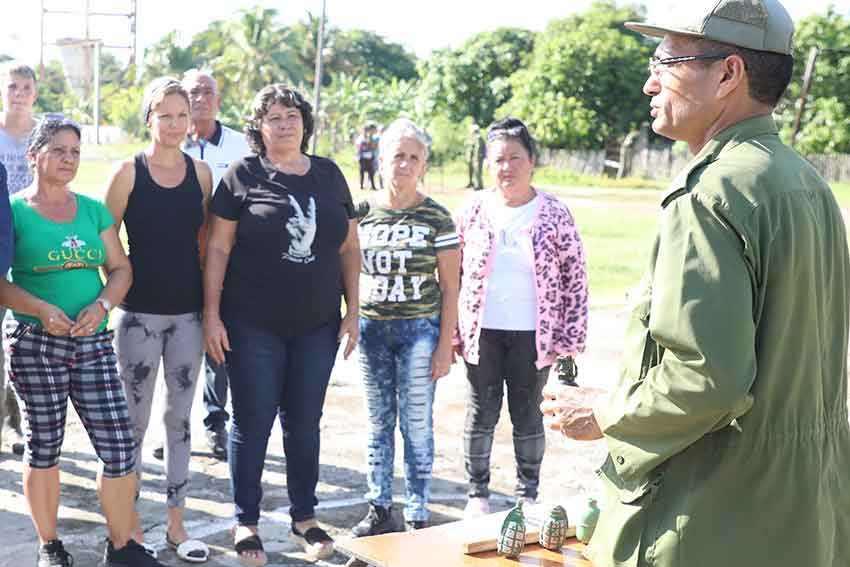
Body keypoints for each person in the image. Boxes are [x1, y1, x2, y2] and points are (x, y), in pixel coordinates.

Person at [540, 2, 850, 566]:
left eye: (668, 60)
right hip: (804, 518)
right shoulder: (805, 182)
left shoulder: (711, 194)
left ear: (729, 74)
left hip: (711, 520)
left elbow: (708, 377)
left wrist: (604, 413)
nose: (649, 81)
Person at [204, 84, 360, 566]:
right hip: (252, 324)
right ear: (259, 127)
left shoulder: (330, 175)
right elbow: (217, 249)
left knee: (304, 423)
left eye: (292, 115)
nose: (284, 123)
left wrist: (353, 311)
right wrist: (211, 315)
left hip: (316, 325)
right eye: (273, 117)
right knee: (252, 422)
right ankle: (245, 521)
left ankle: (304, 517)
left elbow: (349, 248)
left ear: (305, 123)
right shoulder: (242, 175)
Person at [0, 116, 165, 567]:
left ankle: (122, 546)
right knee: (44, 444)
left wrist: (103, 305)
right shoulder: (12, 210)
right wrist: (40, 309)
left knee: (117, 445)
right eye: (58, 150)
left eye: (74, 151)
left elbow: (121, 269)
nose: (68, 159)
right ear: (34, 156)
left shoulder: (93, 209)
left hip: (92, 343)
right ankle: (50, 546)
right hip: (36, 342)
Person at [454, 117, 588, 518]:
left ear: (532, 160)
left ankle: (527, 493)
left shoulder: (554, 213)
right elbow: (452, 272)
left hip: (535, 336)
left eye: (515, 158)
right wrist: (453, 335)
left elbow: (575, 278)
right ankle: (476, 493)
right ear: (487, 164)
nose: (506, 167)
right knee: (481, 412)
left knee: (528, 414)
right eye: (498, 160)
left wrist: (570, 340)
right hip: (483, 333)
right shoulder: (473, 210)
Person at [104, 77, 213, 563]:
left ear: (191, 121)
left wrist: (212, 309)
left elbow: (208, 245)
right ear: (148, 119)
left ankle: (175, 521)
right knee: (133, 422)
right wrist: (121, 286)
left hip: (188, 317)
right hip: (138, 319)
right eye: (164, 115)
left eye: (181, 115)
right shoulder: (128, 172)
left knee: (178, 420)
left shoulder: (203, 174)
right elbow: (104, 243)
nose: (173, 124)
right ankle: (127, 527)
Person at [351, 118, 460, 537]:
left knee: (416, 423)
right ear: (381, 159)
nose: (405, 164)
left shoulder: (436, 216)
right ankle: (379, 507)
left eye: (414, 157)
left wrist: (444, 345)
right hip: (373, 331)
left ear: (424, 165)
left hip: (419, 331)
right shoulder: (362, 213)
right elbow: (347, 271)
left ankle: (416, 511)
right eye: (398, 155)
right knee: (377, 422)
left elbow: (451, 286)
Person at [172, 68, 250, 462]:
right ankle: (176, 427)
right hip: (180, 261)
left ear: (218, 99)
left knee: (220, 340)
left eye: (207, 91)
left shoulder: (240, 146)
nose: (200, 98)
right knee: (182, 345)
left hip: (229, 261)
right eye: (192, 92)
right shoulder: (170, 142)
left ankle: (216, 423)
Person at [0, 63, 38, 457]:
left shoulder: (41, 134)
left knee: (22, 335)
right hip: (0, 239)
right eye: (12, 86)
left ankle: (18, 423)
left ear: (35, 93)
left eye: (26, 87)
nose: (19, 93)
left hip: (30, 239)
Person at [355, 123, 378, 190]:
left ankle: (372, 186)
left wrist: (370, 140)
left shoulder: (371, 138)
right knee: (362, 172)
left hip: (370, 158)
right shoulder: (360, 138)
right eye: (366, 130)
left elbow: (373, 147)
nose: (367, 132)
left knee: (371, 172)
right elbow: (361, 147)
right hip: (362, 158)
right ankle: (361, 186)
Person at [465, 124, 485, 190]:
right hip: (476, 158)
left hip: (478, 158)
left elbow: (478, 149)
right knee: (476, 172)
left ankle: (479, 186)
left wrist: (476, 158)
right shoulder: (476, 138)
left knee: (478, 172)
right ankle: (477, 185)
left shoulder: (478, 137)